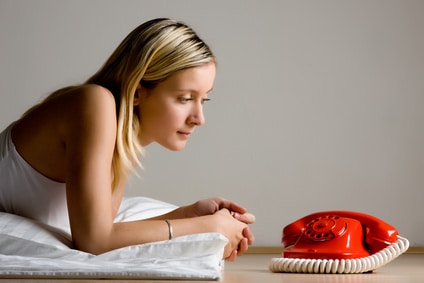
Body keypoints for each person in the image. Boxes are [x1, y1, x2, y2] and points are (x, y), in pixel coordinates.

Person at [0, 18, 255, 261]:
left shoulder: (120, 137)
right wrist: (203, 226)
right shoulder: (95, 103)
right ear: (136, 92)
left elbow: (105, 232)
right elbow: (94, 241)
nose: (199, 118)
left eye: (204, 99)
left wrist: (186, 215)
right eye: (185, 98)